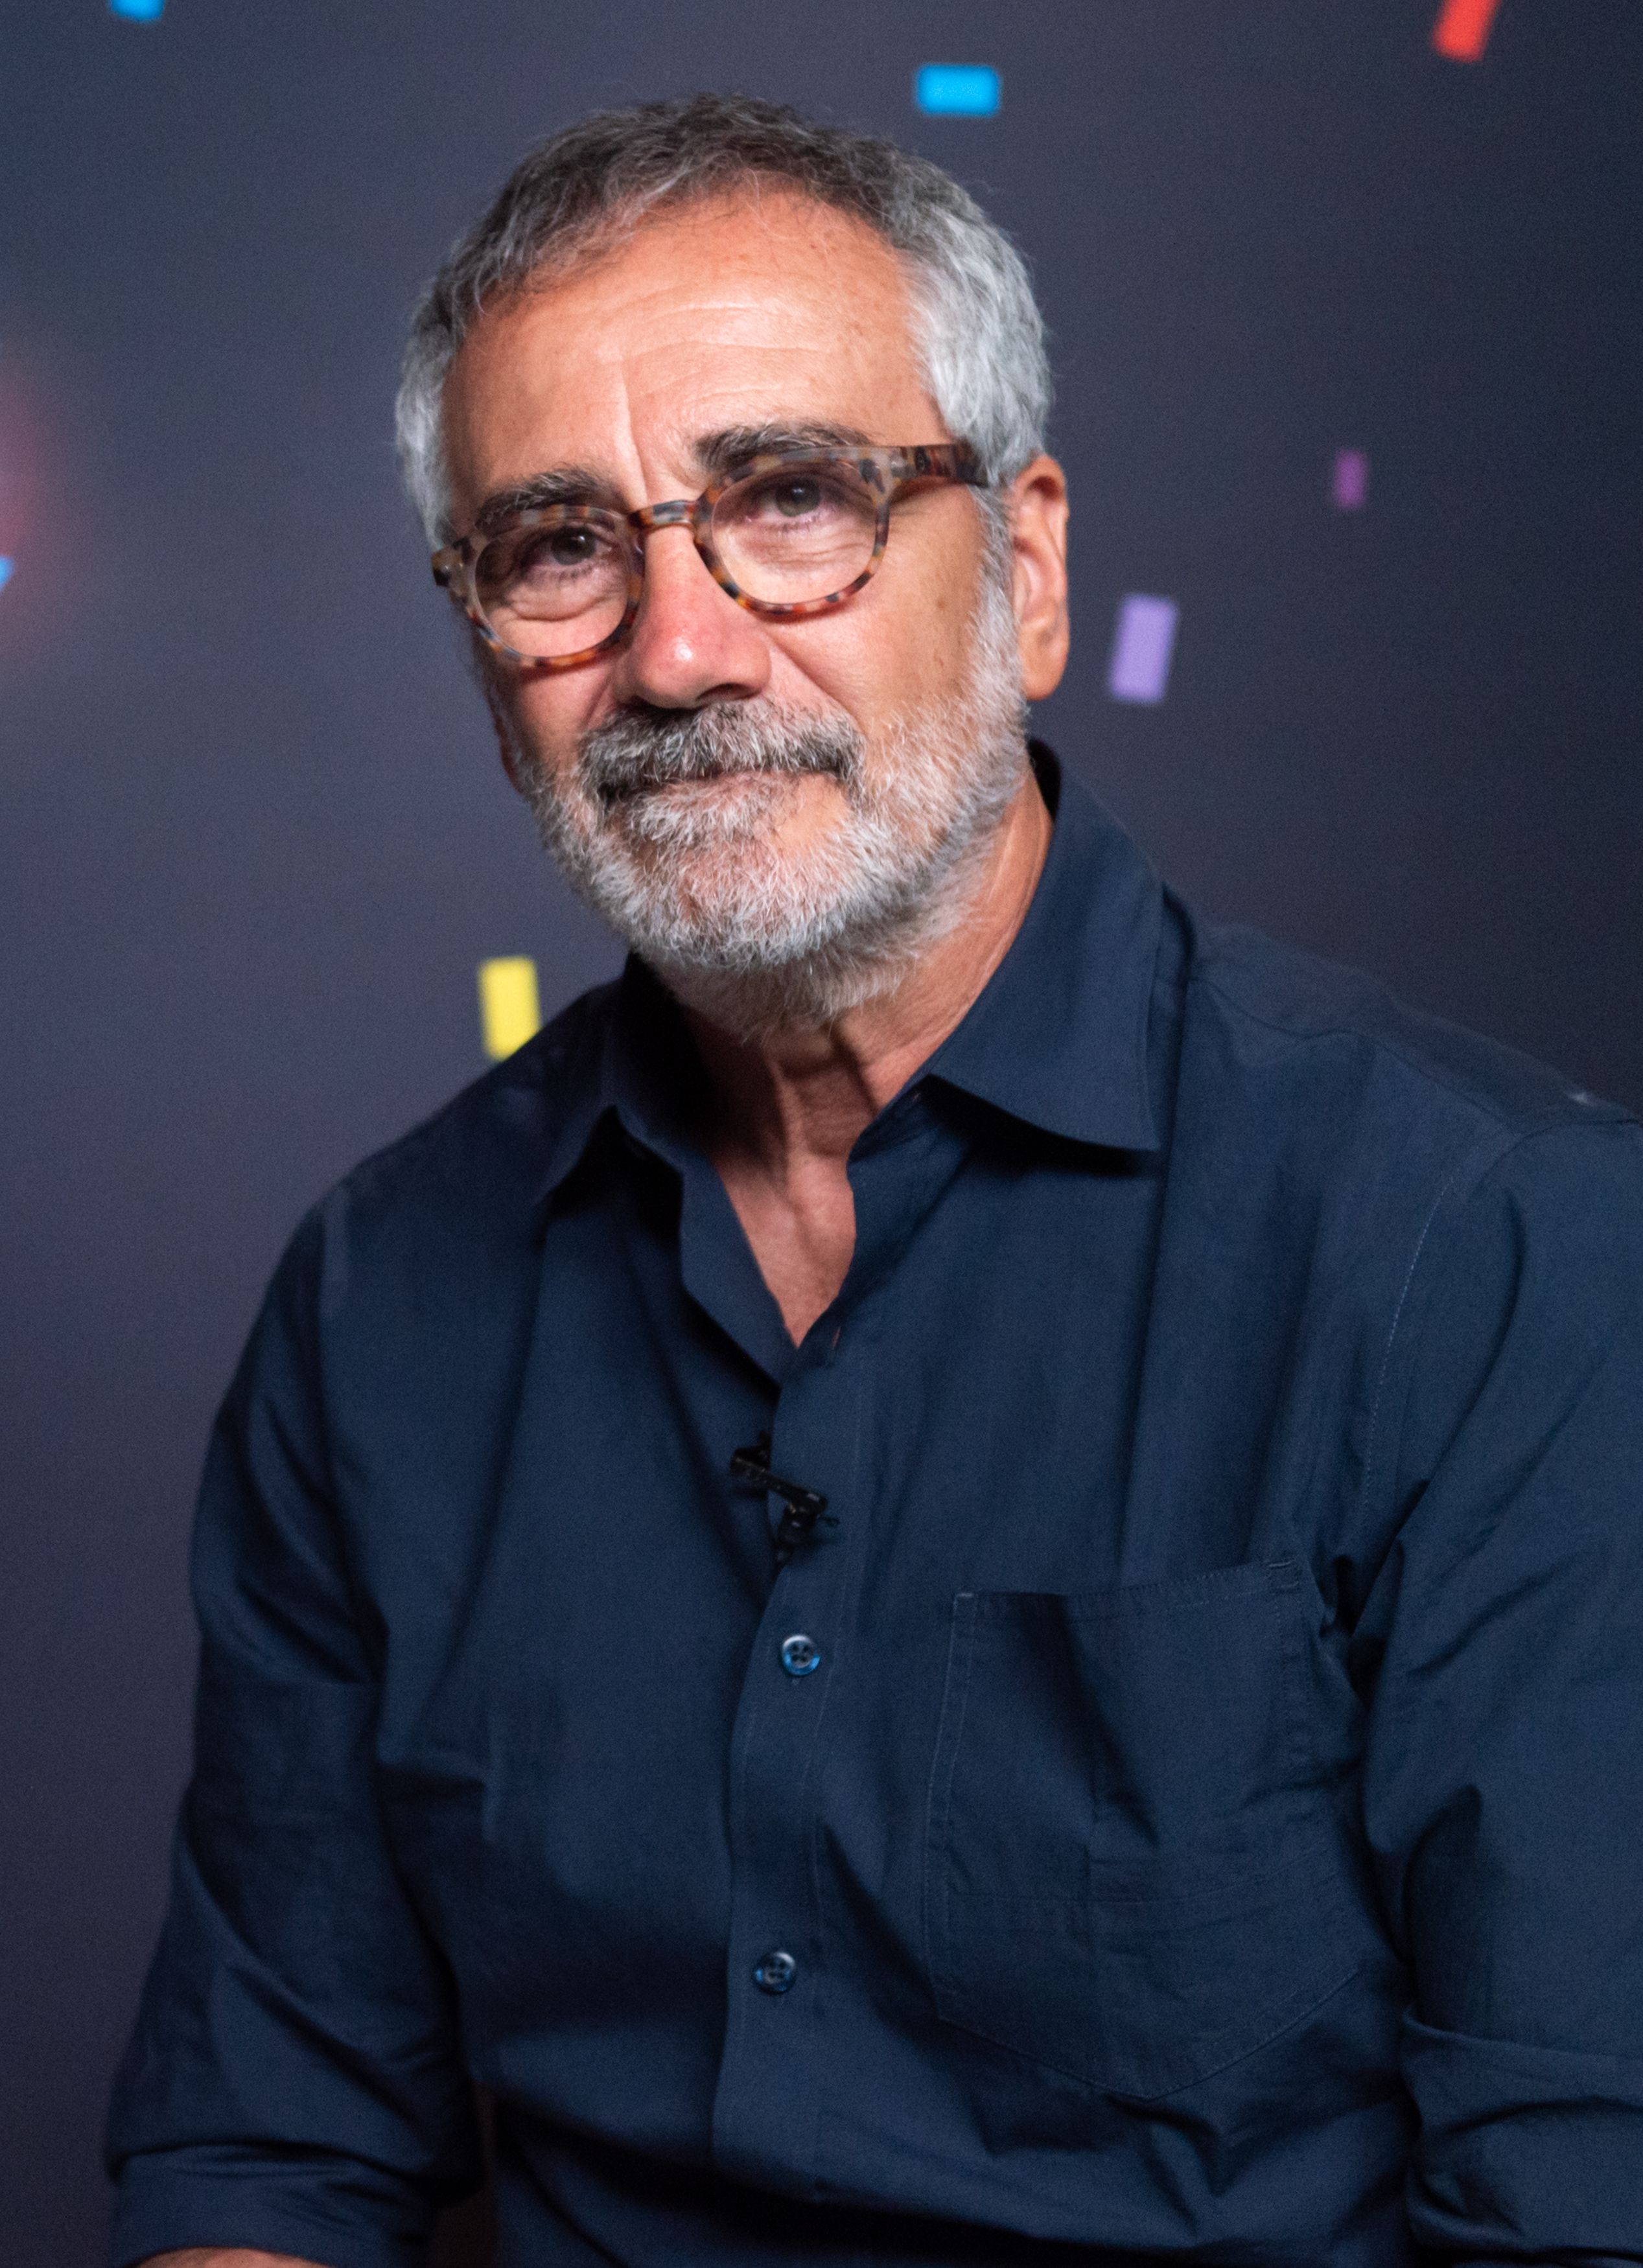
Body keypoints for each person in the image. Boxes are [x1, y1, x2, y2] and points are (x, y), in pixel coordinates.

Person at [108, 94, 1643, 2268]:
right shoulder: (378, 1303)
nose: (679, 651)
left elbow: (1585, 2192)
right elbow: (268, 2148)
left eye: (791, 501)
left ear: (1028, 574)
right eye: (562, 546)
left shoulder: (1489, 1253)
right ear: (482, 649)